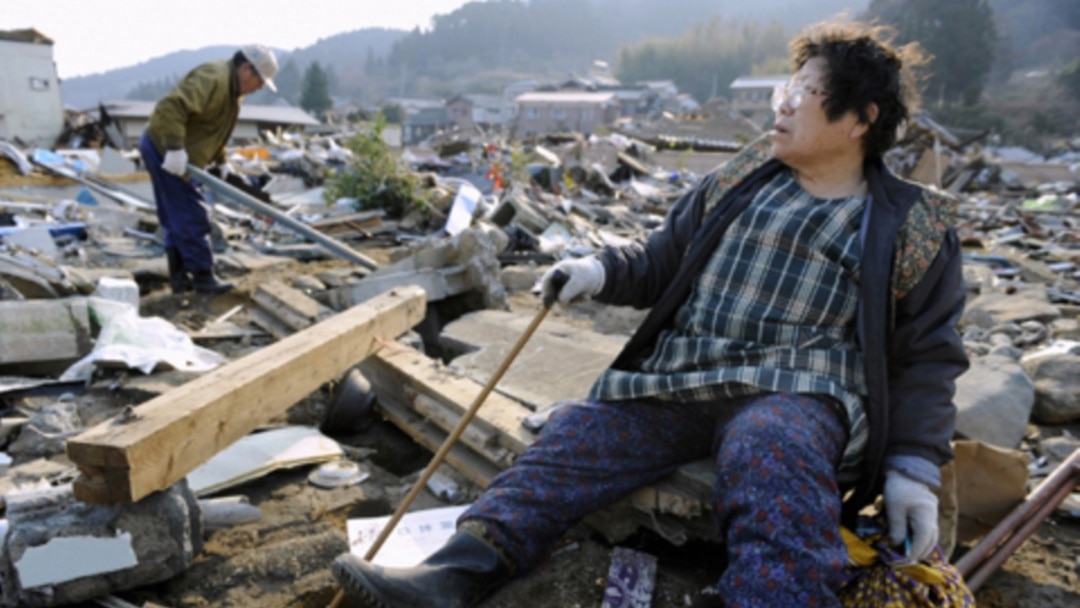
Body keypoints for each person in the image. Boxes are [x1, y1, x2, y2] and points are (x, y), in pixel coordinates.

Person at [332, 20, 969, 607]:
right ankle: (454, 575)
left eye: (803, 92)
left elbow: (928, 353)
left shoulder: (908, 225)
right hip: (684, 376)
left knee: (770, 449)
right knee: (578, 435)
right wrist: (598, 271)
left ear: (861, 119)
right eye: (788, 88)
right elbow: (663, 258)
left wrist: (912, 468)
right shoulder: (744, 177)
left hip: (798, 392)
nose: (782, 104)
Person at [139, 44, 278, 294]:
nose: (259, 88)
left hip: (172, 150)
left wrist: (221, 162)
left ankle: (180, 279)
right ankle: (203, 278)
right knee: (192, 213)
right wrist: (174, 148)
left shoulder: (232, 91)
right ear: (246, 69)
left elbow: (213, 130)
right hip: (163, 147)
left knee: (173, 214)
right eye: (259, 81)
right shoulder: (213, 78)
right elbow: (171, 107)